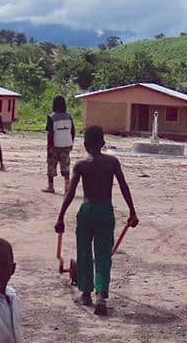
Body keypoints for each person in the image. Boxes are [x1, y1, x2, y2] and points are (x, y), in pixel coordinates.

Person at [53, 126, 137, 316]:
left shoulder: (82, 165)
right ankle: (100, 294)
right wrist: (132, 211)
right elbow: (124, 186)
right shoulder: (112, 162)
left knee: (84, 251)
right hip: (105, 210)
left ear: (85, 145)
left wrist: (61, 217)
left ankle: (86, 293)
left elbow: (71, 192)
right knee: (103, 254)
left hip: (87, 210)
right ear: (103, 144)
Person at [44, 95, 75, 194]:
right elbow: (73, 130)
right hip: (67, 143)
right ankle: (67, 186)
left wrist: (49, 146)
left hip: (55, 144)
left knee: (51, 164)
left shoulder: (51, 117)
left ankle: (51, 186)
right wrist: (71, 142)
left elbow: (50, 133)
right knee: (65, 164)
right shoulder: (69, 116)